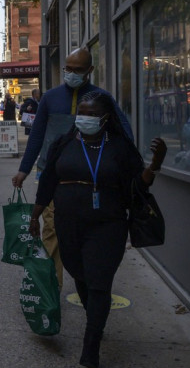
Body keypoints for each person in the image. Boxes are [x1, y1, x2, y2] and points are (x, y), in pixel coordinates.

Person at [28, 91, 166, 368]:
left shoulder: (119, 147)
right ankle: (95, 317)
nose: (84, 118)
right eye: (82, 112)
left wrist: (155, 164)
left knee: (99, 282)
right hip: (68, 223)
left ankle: (91, 344)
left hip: (108, 225)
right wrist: (36, 215)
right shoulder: (64, 143)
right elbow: (47, 182)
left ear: (105, 118)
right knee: (79, 274)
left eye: (91, 114)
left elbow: (137, 186)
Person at [12, 47, 133, 288]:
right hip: (55, 177)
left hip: (92, 181)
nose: (72, 74)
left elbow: (124, 134)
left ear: (90, 70)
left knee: (83, 235)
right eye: (68, 69)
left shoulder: (102, 99)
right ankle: (50, 289)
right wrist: (24, 169)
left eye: (78, 70)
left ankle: (88, 283)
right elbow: (37, 136)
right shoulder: (50, 98)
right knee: (51, 233)